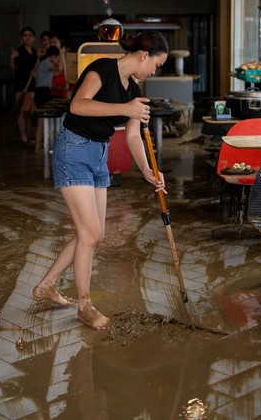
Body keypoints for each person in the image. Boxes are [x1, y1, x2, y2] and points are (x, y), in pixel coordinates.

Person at [32, 31, 169, 331]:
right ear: (144, 55)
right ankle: (85, 306)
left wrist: (147, 170)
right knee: (91, 234)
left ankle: (46, 285)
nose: (153, 72)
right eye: (156, 65)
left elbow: (133, 136)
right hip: (74, 149)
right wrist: (124, 108)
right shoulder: (101, 69)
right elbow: (78, 105)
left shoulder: (133, 89)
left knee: (93, 232)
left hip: (99, 155)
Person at [10, 27, 38, 144]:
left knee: (30, 113)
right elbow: (13, 69)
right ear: (22, 38)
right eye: (25, 35)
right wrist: (11, 58)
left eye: (30, 35)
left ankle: (29, 135)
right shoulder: (18, 52)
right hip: (22, 87)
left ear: (33, 38)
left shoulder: (36, 53)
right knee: (21, 112)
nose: (28, 37)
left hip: (33, 87)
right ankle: (23, 136)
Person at [33, 46, 60, 152]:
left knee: (42, 121)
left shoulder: (43, 64)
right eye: (56, 57)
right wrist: (62, 55)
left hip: (41, 92)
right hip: (42, 93)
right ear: (53, 56)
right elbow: (58, 70)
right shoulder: (46, 63)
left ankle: (39, 146)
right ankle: (38, 147)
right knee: (41, 121)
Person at [49, 34, 69, 99]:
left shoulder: (68, 56)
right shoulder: (48, 58)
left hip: (66, 92)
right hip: (53, 92)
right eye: (50, 43)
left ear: (61, 44)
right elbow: (58, 70)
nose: (52, 45)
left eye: (55, 42)